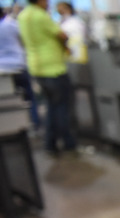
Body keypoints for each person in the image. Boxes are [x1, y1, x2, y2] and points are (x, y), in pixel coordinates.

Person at [18, 0, 77, 155]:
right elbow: (62, 35)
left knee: (50, 106)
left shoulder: (23, 16)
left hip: (36, 68)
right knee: (62, 107)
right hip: (54, 68)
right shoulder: (41, 16)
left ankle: (50, 143)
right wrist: (66, 47)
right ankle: (68, 143)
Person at [0, 7, 41, 130]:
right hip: (18, 65)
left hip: (2, 70)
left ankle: (12, 126)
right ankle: (34, 124)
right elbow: (24, 39)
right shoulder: (11, 25)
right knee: (29, 97)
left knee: (7, 101)